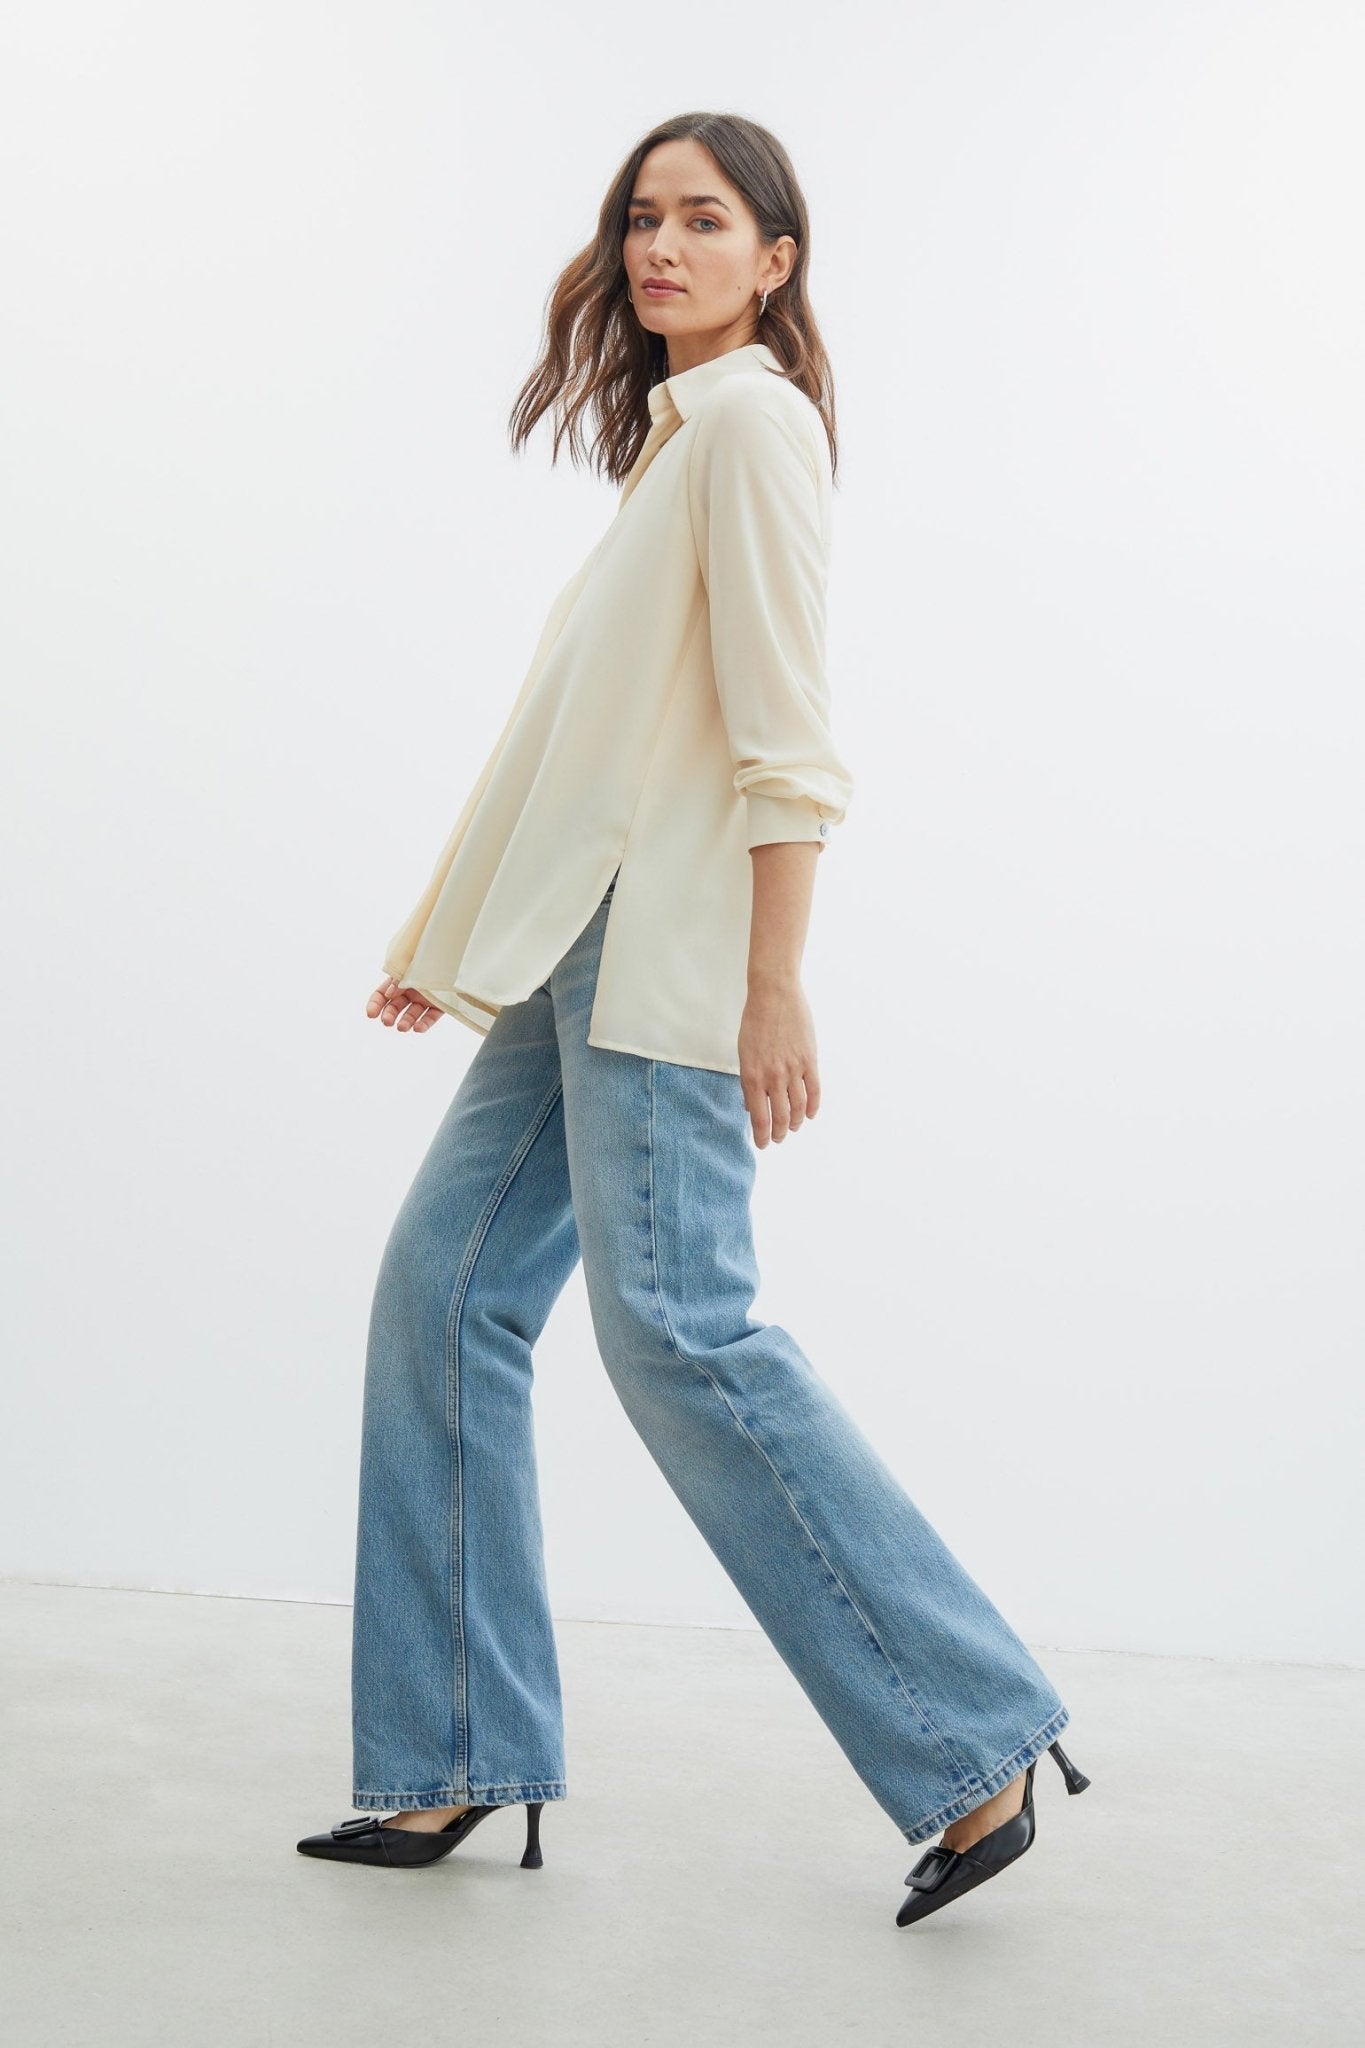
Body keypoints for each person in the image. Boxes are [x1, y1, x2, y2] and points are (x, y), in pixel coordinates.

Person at [296, 111, 1090, 1927]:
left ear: (773, 259)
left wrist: (772, 980)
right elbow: (582, 750)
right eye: (640, 218)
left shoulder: (750, 425)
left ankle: (968, 1734)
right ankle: (452, 1754)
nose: (660, 247)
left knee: (681, 1336)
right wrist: (453, 938)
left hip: (665, 962)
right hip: (579, 952)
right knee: (442, 1295)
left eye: (703, 219)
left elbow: (784, 736)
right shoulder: (675, 443)